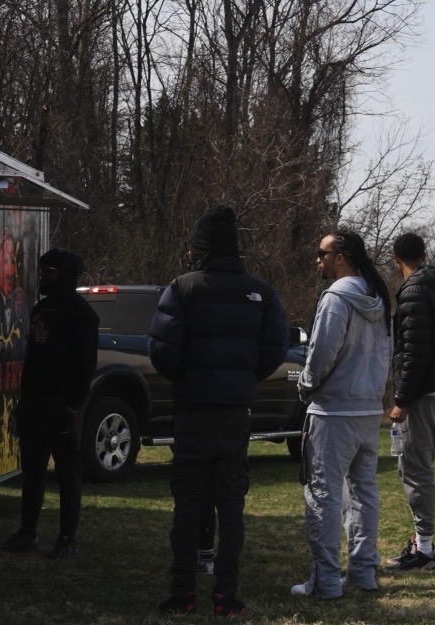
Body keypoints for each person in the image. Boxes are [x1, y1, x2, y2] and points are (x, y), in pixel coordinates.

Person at [149, 205, 288, 617]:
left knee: (188, 503)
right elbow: (274, 351)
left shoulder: (183, 287)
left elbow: (162, 350)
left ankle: (183, 593)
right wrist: (244, 379)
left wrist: (187, 379)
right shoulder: (261, 292)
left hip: (192, 411)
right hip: (235, 413)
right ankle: (226, 595)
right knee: (231, 505)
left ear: (201, 247)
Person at [291, 229, 391, 599]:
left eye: (322, 253)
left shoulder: (336, 298)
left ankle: (327, 581)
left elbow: (321, 353)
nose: (317, 260)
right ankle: (363, 573)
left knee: (324, 494)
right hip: (367, 410)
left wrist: (305, 385)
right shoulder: (376, 296)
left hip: (334, 411)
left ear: (341, 257)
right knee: (363, 493)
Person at [0, 247, 98, 559]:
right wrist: (23, 400)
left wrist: (73, 406)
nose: (43, 276)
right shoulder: (41, 309)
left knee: (68, 473)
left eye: (50, 271)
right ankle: (28, 532)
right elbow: (33, 358)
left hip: (62, 406)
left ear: (66, 273)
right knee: (32, 471)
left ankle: (67, 537)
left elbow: (86, 365)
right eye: (42, 270)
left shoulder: (83, 314)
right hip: (34, 404)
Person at [385, 233, 435, 571]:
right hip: (432, 389)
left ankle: (425, 550)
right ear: (425, 253)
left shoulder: (414, 291)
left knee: (416, 468)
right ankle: (420, 541)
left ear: (395, 257)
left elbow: (414, 351)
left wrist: (401, 399)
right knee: (415, 464)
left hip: (419, 392)